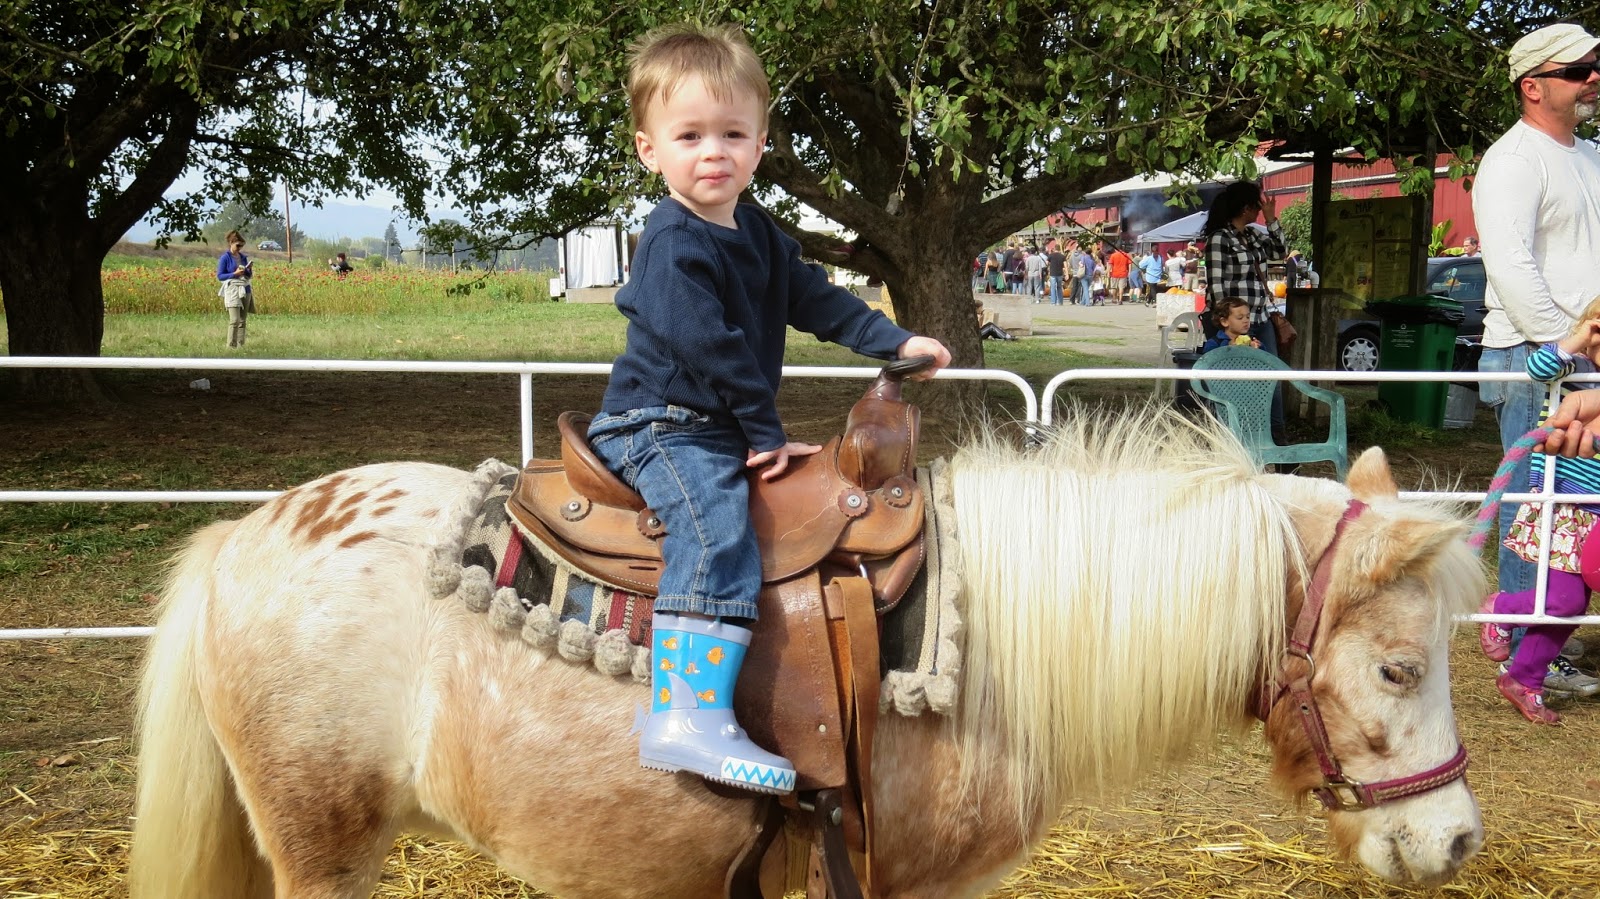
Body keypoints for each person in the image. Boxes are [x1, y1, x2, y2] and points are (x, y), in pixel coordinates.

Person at [587, 22, 950, 795]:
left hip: (714, 420)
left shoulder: (757, 231)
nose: (712, 152)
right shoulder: (671, 242)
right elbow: (710, 349)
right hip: (658, 421)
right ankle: (684, 715)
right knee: (716, 530)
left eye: (732, 133)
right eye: (689, 135)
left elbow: (816, 298)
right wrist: (763, 429)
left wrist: (894, 341)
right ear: (650, 149)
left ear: (760, 145)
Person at [1475, 23, 1600, 676]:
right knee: (1536, 511)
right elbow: (1512, 269)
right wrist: (1570, 347)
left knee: (1570, 507)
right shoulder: (1512, 162)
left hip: (1580, 359)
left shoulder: (1591, 155)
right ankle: (1525, 648)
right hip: (1535, 358)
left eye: (1594, 66)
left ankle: (1541, 633)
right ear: (1532, 86)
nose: (1593, 78)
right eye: (1577, 70)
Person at [1478, 304, 1600, 722]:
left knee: (1573, 606)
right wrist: (1578, 339)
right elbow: (1537, 368)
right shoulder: (1576, 370)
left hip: (1595, 512)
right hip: (1565, 503)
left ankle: (1524, 678)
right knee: (1565, 600)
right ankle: (1503, 608)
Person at [1203, 181, 1287, 435]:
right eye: (1258, 206)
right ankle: (1232, 435)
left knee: (1271, 378)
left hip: (1260, 318)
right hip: (1232, 323)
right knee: (1234, 382)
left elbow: (1280, 252)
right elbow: (1216, 285)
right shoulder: (1220, 238)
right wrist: (1228, 326)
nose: (1260, 210)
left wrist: (1272, 220)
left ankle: (1276, 437)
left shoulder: (1253, 235)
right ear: (1245, 208)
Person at [216, 230, 254, 349]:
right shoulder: (225, 258)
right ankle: (231, 346)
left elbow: (249, 275)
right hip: (232, 289)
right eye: (238, 245)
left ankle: (240, 345)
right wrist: (234, 274)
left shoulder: (243, 257)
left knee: (242, 320)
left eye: (241, 246)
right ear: (231, 243)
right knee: (235, 319)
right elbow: (220, 276)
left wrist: (248, 270)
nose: (239, 248)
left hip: (245, 288)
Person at [1045, 239, 1066, 305]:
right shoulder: (1062, 256)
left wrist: (1049, 267)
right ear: (1059, 249)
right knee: (1059, 287)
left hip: (1053, 273)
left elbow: (1046, 263)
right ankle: (1060, 302)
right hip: (1060, 273)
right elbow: (1065, 265)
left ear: (1054, 249)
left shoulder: (1050, 255)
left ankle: (1053, 302)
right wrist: (1066, 273)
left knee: (1053, 288)